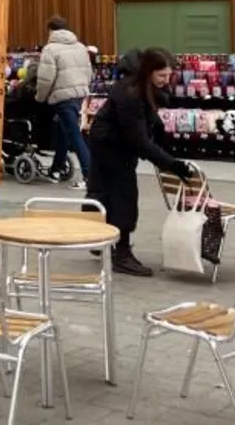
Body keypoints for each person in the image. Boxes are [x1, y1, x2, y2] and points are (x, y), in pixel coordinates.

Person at [85, 47, 193, 277]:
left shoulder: (144, 89)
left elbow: (153, 125)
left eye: (169, 76)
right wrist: (170, 163)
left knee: (106, 191)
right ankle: (121, 253)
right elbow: (137, 139)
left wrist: (168, 153)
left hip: (114, 142)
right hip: (110, 145)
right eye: (161, 76)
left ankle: (101, 238)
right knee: (122, 194)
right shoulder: (130, 94)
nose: (166, 81)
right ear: (148, 72)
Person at [35, 16, 94, 189]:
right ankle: (56, 169)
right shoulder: (80, 47)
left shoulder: (50, 49)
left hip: (62, 97)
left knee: (74, 135)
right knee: (63, 133)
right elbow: (89, 72)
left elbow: (46, 79)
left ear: (51, 30)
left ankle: (89, 175)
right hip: (79, 95)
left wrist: (40, 98)